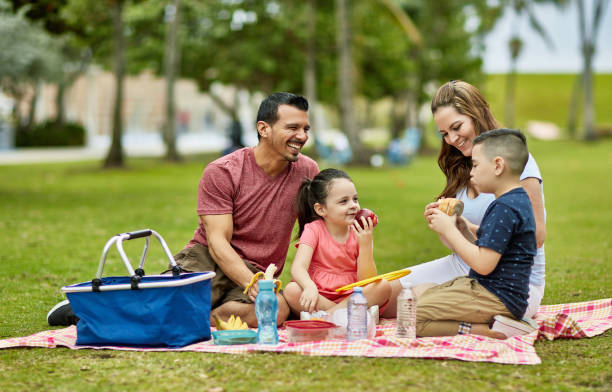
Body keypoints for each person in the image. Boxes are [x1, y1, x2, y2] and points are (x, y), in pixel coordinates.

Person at [47, 92, 319, 327]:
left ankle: (179, 316)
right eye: (293, 127)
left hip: (260, 269)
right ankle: (90, 308)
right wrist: (254, 285)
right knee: (163, 299)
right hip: (208, 258)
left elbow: (316, 231)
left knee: (278, 311)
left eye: (305, 129)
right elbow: (217, 242)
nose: (302, 136)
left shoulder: (307, 171)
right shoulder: (223, 171)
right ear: (264, 128)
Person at [382, 80, 547, 323]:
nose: (451, 139)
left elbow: (537, 236)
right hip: (465, 268)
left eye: (456, 127)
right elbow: (461, 243)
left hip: (509, 284)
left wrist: (463, 234)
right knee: (379, 293)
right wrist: (450, 225)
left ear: (477, 113)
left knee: (413, 308)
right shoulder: (467, 165)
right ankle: (326, 315)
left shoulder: (515, 164)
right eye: (444, 133)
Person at [415, 128, 537, 338]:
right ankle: (496, 323)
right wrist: (464, 228)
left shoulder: (504, 208)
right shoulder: (514, 200)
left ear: (498, 165)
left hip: (496, 297)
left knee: (412, 317)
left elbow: (483, 264)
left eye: (476, 165)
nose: (471, 172)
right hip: (494, 291)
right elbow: (492, 249)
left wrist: (449, 230)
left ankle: (487, 331)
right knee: (419, 292)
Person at [283, 168, 391, 318]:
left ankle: (327, 317)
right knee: (291, 290)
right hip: (319, 294)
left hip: (351, 294)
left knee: (383, 286)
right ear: (321, 209)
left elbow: (367, 281)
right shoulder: (313, 230)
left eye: (355, 199)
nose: (353, 205)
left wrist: (365, 244)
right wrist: (309, 287)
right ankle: (350, 317)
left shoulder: (360, 231)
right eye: (343, 201)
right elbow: (298, 268)